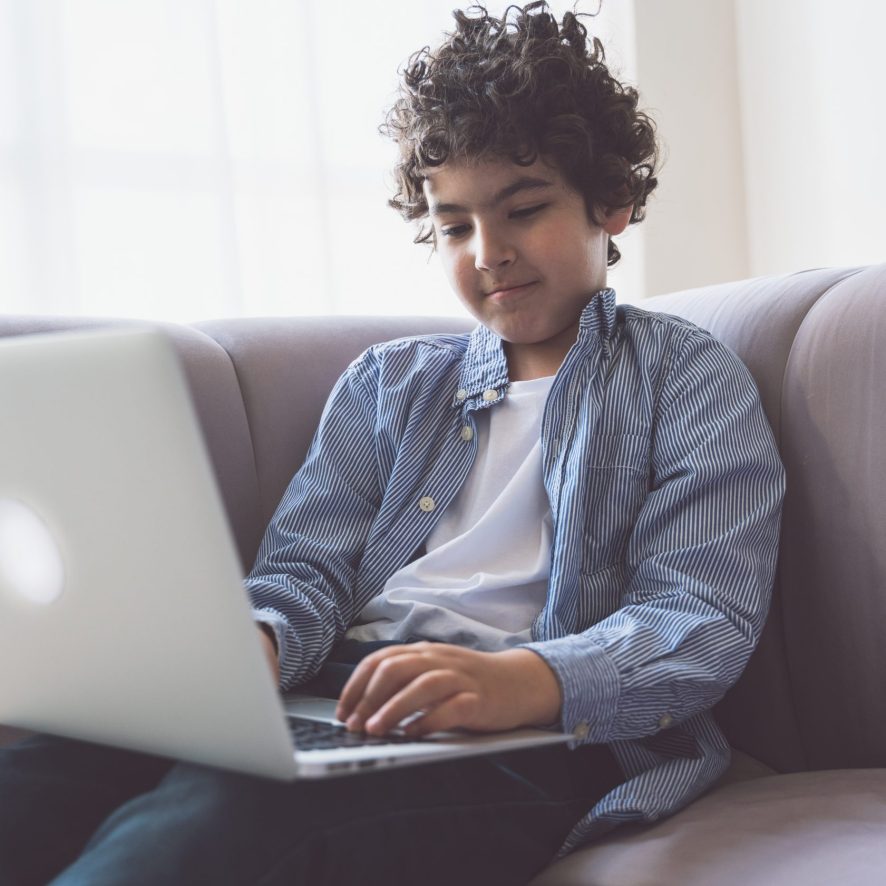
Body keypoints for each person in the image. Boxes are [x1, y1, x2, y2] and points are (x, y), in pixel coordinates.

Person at [0, 3, 784, 884]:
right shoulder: (389, 382)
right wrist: (253, 647)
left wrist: (520, 682)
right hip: (336, 698)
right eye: (454, 226)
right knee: (47, 773)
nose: (487, 252)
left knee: (233, 812)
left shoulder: (686, 377)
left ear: (612, 203)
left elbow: (698, 617)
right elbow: (305, 571)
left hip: (538, 734)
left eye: (524, 209)